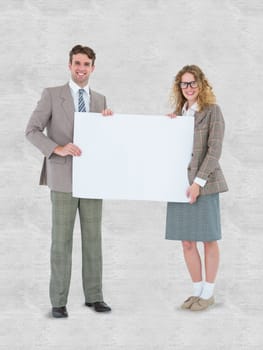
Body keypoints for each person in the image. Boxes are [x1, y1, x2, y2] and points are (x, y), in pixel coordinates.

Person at [25, 44, 113, 318]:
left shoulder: (100, 99)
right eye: (77, 63)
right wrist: (57, 148)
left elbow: (105, 140)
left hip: (93, 178)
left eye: (86, 64)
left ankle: (94, 296)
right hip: (63, 177)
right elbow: (32, 130)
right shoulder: (53, 95)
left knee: (93, 240)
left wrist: (111, 123)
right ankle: (59, 301)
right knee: (61, 241)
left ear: (93, 68)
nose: (81, 69)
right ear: (69, 65)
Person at [166, 65, 228, 311]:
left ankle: (209, 293)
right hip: (178, 185)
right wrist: (168, 127)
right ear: (179, 88)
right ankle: (197, 290)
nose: (188, 88)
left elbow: (214, 152)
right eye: (184, 84)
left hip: (204, 185)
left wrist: (198, 183)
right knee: (187, 242)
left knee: (208, 239)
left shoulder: (213, 111)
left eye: (192, 83)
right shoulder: (178, 114)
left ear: (201, 85)